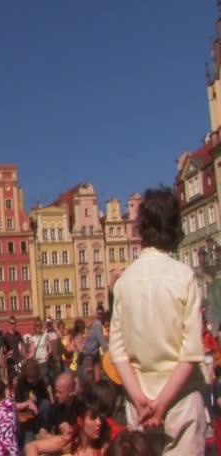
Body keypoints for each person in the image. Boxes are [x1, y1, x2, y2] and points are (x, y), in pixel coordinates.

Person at [110, 187, 207, 454]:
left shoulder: (124, 282)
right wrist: (163, 403)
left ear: (142, 227)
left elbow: (117, 353)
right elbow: (191, 353)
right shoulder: (184, 276)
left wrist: (142, 399)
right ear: (175, 227)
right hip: (181, 400)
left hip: (138, 404)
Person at [82, 305, 108, 382]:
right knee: (89, 376)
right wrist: (107, 352)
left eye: (101, 314)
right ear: (96, 314)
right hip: (89, 352)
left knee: (97, 376)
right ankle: (90, 391)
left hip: (95, 352)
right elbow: (101, 339)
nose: (100, 316)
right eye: (98, 314)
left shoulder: (97, 324)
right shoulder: (97, 324)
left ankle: (96, 390)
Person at [2, 316, 24, 385]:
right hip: (10, 363)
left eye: (14, 323)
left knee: (19, 380)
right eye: (11, 323)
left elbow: (22, 347)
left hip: (18, 362)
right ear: (9, 324)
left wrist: (22, 356)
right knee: (12, 381)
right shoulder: (6, 336)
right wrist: (7, 353)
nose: (13, 325)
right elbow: (3, 350)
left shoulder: (18, 335)